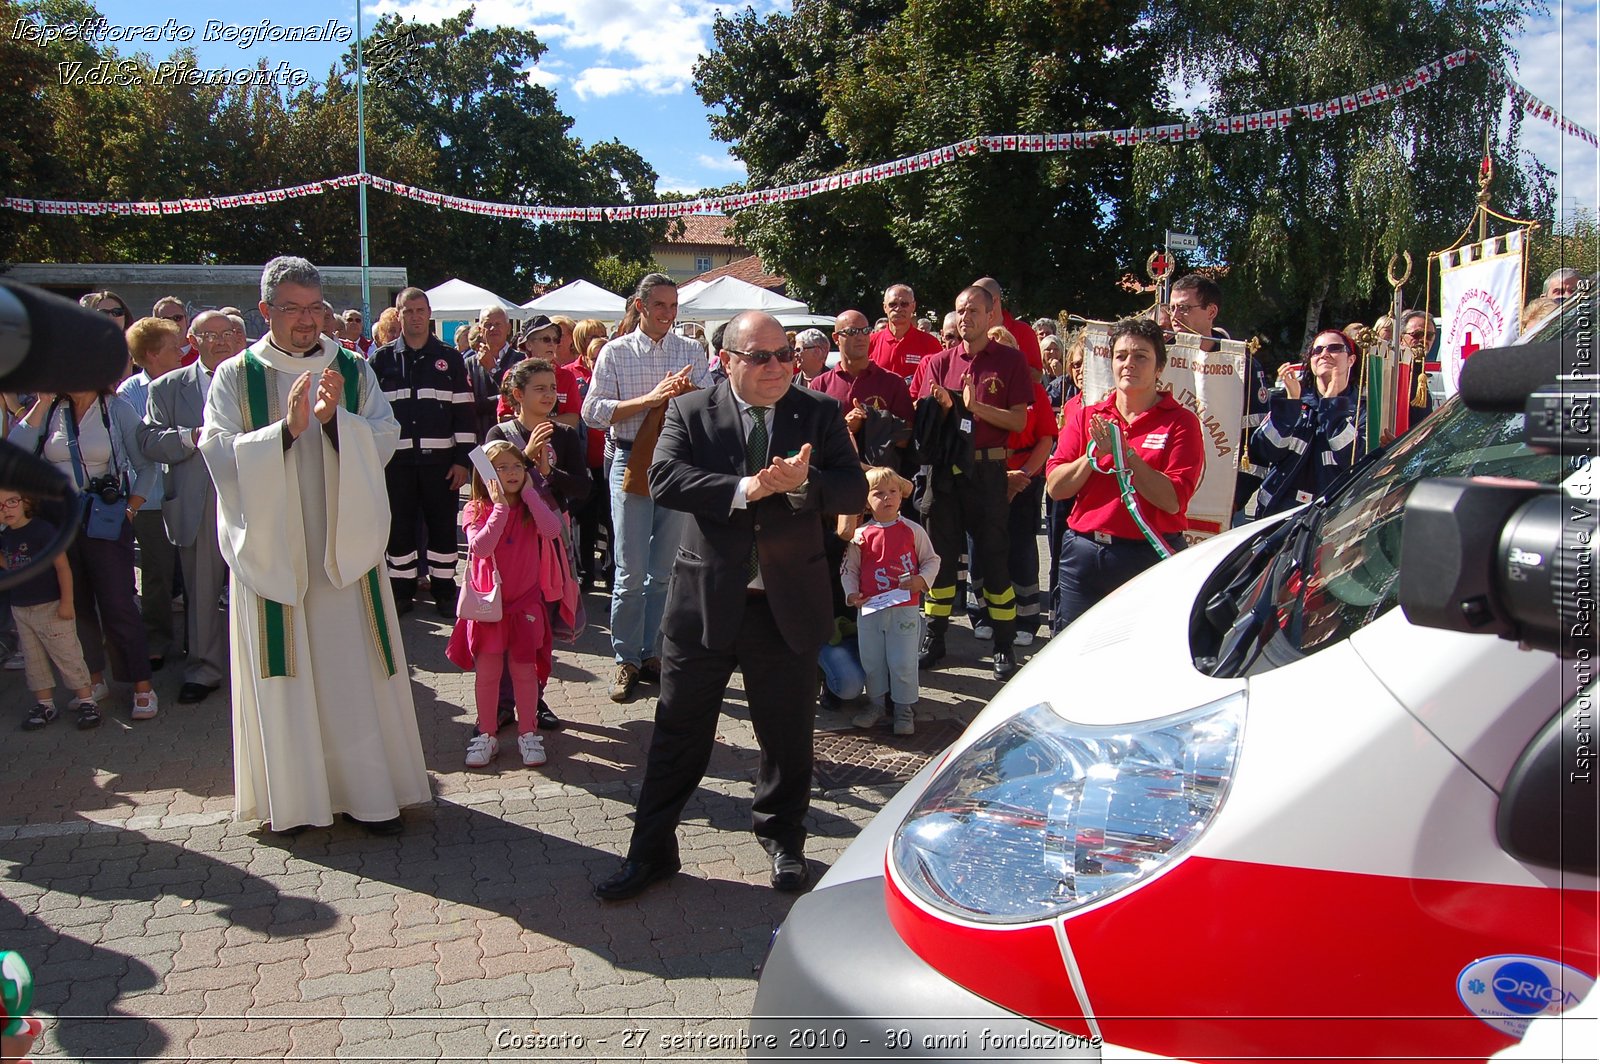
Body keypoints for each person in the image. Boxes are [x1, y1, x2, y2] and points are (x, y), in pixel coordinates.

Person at [593, 310, 867, 901]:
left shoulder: (817, 411)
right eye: (761, 356)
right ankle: (651, 851)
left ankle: (784, 839)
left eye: (785, 354)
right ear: (728, 359)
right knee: (678, 734)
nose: (777, 367)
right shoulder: (692, 409)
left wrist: (801, 484)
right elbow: (662, 478)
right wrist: (749, 489)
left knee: (787, 736)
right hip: (706, 605)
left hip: (786, 606)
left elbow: (852, 487)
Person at [198, 255, 428, 836]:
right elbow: (217, 451)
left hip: (341, 550)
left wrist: (332, 425)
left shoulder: (351, 368)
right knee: (290, 668)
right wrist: (286, 431)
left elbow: (384, 435)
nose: (306, 322)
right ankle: (295, 802)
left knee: (352, 667)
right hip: (276, 552)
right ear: (265, 310)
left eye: (314, 309)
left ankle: (369, 796)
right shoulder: (235, 375)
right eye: (292, 309)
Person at [580, 273, 711, 703]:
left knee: (664, 569)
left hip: (674, 462)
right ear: (641, 306)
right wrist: (651, 399)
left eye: (674, 306)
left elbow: (710, 406)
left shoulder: (691, 350)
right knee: (630, 569)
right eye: (660, 306)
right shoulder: (616, 353)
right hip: (629, 460)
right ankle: (626, 659)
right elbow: (593, 413)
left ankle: (651, 652)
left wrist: (688, 393)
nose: (668, 314)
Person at [8, 373, 159, 722]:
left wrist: (130, 508)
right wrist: (42, 403)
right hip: (56, 520)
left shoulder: (116, 409)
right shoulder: (50, 408)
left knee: (118, 602)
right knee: (75, 604)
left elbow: (145, 467)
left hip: (103, 518)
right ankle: (92, 679)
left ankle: (141, 685)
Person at [1045, 317, 1205, 632]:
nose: (1128, 364)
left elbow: (1172, 500)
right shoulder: (1089, 416)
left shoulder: (1180, 422)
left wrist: (1125, 454)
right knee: (1075, 654)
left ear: (1160, 367)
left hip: (1145, 557)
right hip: (1084, 556)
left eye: (1141, 356)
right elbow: (1055, 488)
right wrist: (1092, 459)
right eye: (1121, 356)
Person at [913, 285, 1032, 680]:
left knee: (994, 559)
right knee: (940, 559)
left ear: (991, 314)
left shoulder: (1011, 361)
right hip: (944, 473)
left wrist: (972, 407)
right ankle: (935, 637)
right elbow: (924, 420)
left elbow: (1018, 421)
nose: (966, 318)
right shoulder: (937, 361)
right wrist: (940, 408)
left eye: (974, 311)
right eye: (960, 310)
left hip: (987, 471)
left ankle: (1003, 644)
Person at [447, 441, 572, 770]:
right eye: (501, 468)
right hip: (488, 607)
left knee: (524, 672)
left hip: (525, 605)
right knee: (487, 673)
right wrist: (500, 507)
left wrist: (531, 494)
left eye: (516, 465)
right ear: (486, 474)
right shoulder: (476, 508)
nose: (511, 473)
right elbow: (482, 546)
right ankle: (486, 734)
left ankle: (528, 733)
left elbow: (552, 530)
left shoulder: (533, 506)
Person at [139, 310, 234, 704]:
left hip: (254, 498)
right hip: (198, 503)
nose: (221, 340)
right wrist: (192, 436)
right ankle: (203, 669)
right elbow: (148, 441)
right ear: (192, 341)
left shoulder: (255, 380)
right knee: (201, 591)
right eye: (210, 334)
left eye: (229, 332)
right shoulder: (167, 388)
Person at [370, 287, 475, 617]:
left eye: (420, 310)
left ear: (429, 314)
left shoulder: (450, 358)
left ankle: (445, 591)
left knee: (443, 528)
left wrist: (462, 461)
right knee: (398, 529)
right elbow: (370, 414)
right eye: (407, 311)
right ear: (397, 315)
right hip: (395, 464)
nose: (414, 316)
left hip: (440, 464)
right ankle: (402, 591)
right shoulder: (381, 360)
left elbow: (464, 412)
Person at [843, 467, 939, 736]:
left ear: (901, 496)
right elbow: (849, 569)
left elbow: (932, 560)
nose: (887, 498)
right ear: (866, 501)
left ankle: (904, 710)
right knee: (872, 660)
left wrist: (921, 580)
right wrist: (852, 594)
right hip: (871, 609)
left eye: (893, 492)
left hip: (904, 609)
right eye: (879, 493)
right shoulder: (860, 535)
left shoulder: (912, 530)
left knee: (903, 661)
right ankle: (875, 704)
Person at [117, 317, 186, 671]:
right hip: (151, 500)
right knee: (157, 576)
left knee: (191, 574)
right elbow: (142, 445)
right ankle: (157, 640)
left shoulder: (187, 383)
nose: (181, 351)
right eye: (174, 346)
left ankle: (196, 641)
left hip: (187, 494)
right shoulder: (129, 393)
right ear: (151, 353)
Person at [1, 489, 99, 730]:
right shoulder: (5, 537)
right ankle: (44, 703)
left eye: (11, 502)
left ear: (26, 502)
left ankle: (86, 700)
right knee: (33, 659)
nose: (6, 509)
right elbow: (9, 563)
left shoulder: (42, 531)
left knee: (67, 654)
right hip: (21, 608)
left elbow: (62, 568)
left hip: (51, 605)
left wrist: (67, 602)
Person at [1249, 328, 1363, 518]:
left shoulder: (1362, 408)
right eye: (1317, 351)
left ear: (1351, 359)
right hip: (1279, 515)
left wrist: (1332, 405)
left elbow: (1353, 459)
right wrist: (1291, 402)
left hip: (1332, 516)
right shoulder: (1295, 398)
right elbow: (1266, 449)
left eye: (1334, 348)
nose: (1324, 354)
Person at [869, 284, 943, 383]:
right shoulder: (870, 342)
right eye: (892, 304)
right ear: (885, 307)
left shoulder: (930, 343)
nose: (898, 308)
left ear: (913, 306)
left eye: (904, 304)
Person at [973, 277, 1043, 372]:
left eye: (977, 303)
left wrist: (1011, 360)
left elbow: (1038, 376)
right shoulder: (972, 332)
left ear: (994, 301)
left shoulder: (1023, 331)